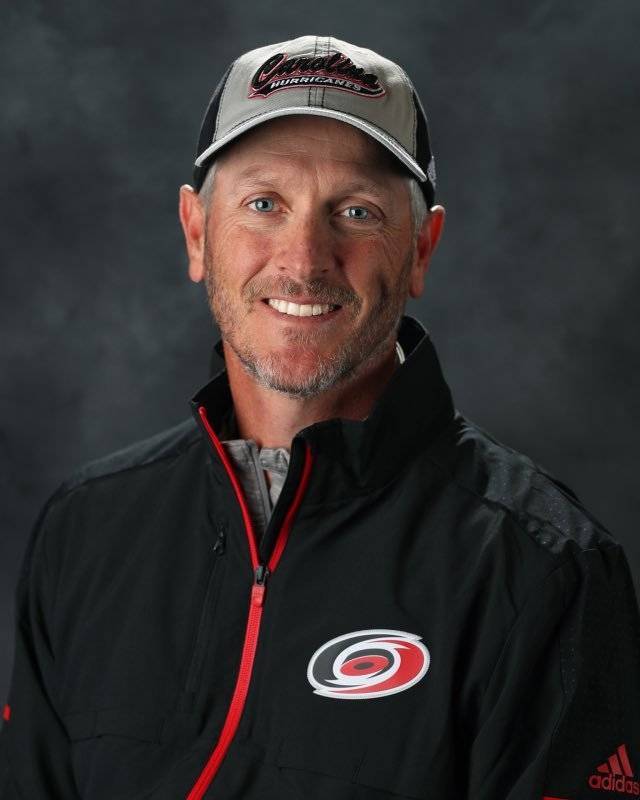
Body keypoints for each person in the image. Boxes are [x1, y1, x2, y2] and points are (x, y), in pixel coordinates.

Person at [1, 34, 639, 800]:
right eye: (263, 204)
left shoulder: (538, 567)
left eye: (356, 211)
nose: (304, 259)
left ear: (421, 249)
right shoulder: (88, 529)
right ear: (197, 233)